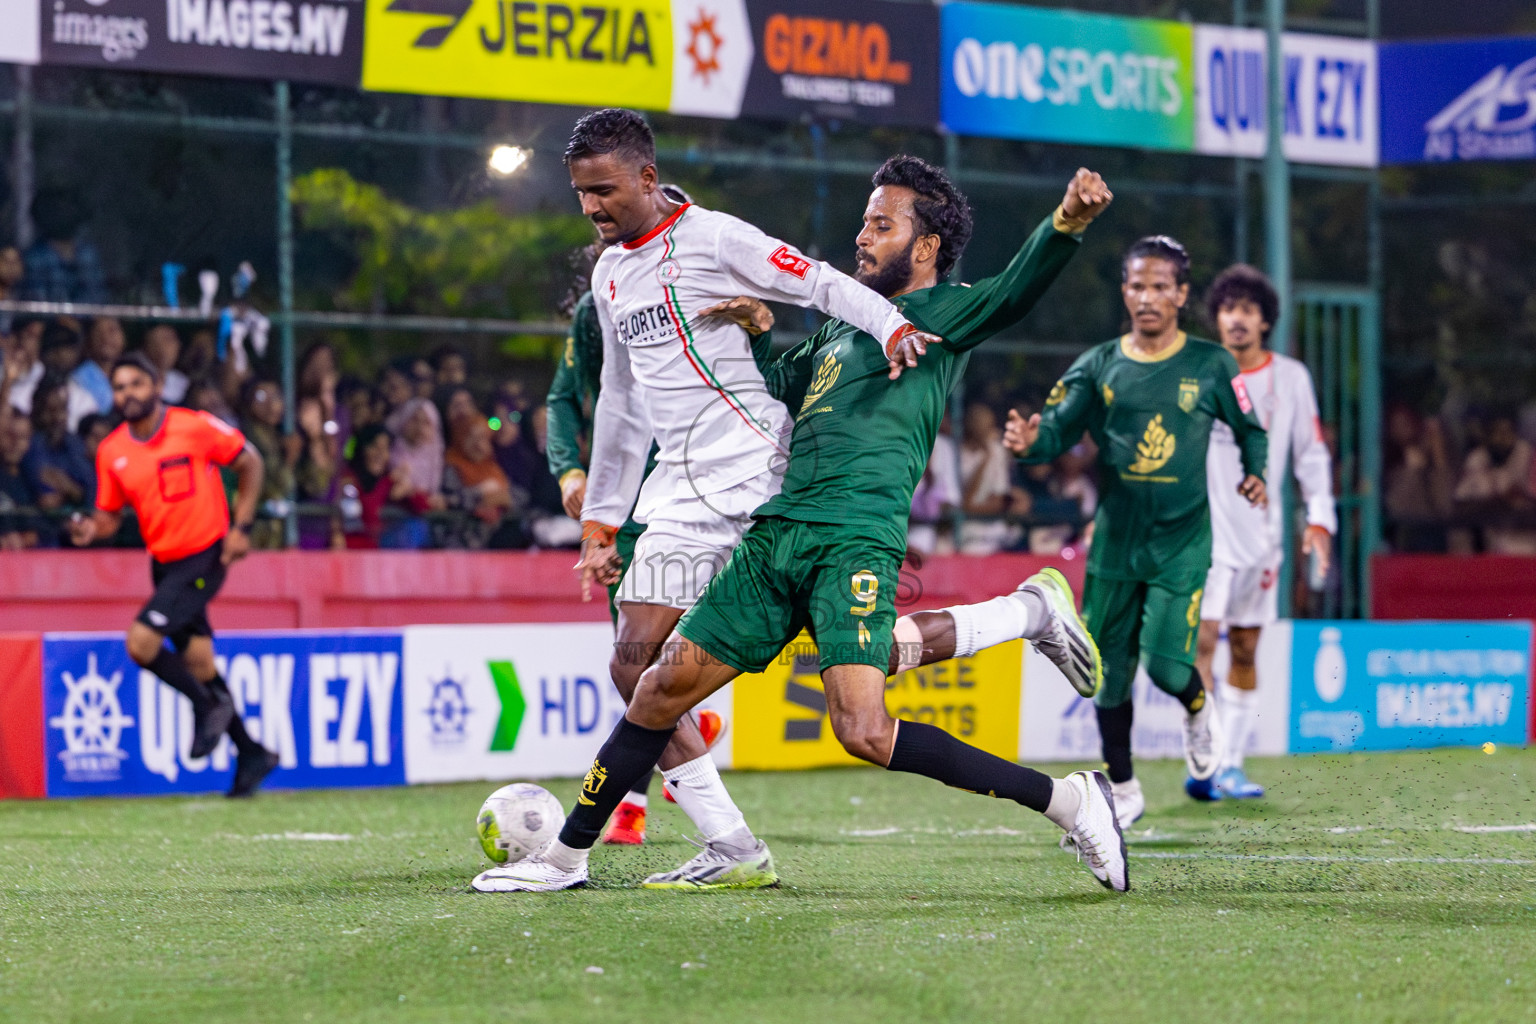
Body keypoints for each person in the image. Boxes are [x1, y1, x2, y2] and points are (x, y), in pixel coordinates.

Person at [474, 158, 1122, 895]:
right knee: (655, 688)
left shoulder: (940, 314)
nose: (863, 235)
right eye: (865, 220)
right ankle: (564, 860)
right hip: (775, 536)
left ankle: (1069, 801)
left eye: (883, 224)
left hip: (854, 540)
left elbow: (1014, 294)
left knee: (864, 732)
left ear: (928, 245)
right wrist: (752, 331)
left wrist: (1065, 225)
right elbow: (766, 396)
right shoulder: (832, 338)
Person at [475, 109, 940, 894]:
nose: (592, 208)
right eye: (581, 194)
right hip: (677, 490)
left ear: (648, 178)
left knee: (814, 653)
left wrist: (891, 325)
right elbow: (619, 403)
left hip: (753, 472)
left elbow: (819, 282)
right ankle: (732, 845)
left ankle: (575, 854)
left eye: (605, 190)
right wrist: (602, 516)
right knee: (633, 669)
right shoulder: (609, 275)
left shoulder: (715, 238)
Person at [1003, 236, 1269, 830]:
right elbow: (1058, 431)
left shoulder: (1211, 364)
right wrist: (1031, 444)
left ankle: (1199, 712)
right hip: (1116, 546)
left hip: (1182, 543)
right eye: (1136, 286)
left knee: (1169, 668)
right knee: (1108, 673)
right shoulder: (1098, 366)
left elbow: (1251, 430)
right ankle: (1123, 789)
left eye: (1159, 286)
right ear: (1125, 292)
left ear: (1180, 294)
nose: (1147, 297)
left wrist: (1256, 473)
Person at [542, 200, 748, 843]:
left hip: (706, 490)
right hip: (632, 507)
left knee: (653, 663)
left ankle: (663, 774)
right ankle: (641, 802)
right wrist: (570, 472)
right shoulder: (597, 309)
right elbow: (566, 396)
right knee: (634, 656)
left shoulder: (704, 277)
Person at [66, 353, 279, 797]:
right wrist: (91, 527)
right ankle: (252, 752)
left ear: (158, 384)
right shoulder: (113, 451)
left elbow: (250, 462)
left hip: (205, 556)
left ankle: (207, 708)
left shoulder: (194, 426)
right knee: (200, 662)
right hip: (163, 564)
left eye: (136, 384)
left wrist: (241, 528)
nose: (128, 394)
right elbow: (108, 517)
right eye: (120, 387)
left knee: (141, 644)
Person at [1193, 265, 1335, 802]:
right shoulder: (1203, 371)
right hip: (1207, 535)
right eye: (1229, 309)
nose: (1237, 319)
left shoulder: (1291, 379)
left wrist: (1319, 516)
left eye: (1248, 310)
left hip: (1263, 538)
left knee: (1246, 649)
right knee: (1203, 641)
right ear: (1218, 318)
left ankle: (1231, 763)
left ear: (1265, 321)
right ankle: (1206, 758)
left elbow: (1311, 453)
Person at [23, 374, 95, 520]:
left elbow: (92, 494)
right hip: (38, 529)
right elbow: (45, 496)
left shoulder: (74, 442)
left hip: (79, 528)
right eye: (50, 410)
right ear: (36, 410)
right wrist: (74, 491)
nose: (58, 417)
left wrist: (68, 487)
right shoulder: (28, 442)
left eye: (63, 409)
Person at [72, 317, 125, 415]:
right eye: (99, 332)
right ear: (89, 339)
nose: (106, 338)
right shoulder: (79, 378)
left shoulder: (130, 371)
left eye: (112, 330)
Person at [143, 325, 189, 405]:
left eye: (168, 340)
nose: (163, 347)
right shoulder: (137, 382)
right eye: (156, 342)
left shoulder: (185, 384)